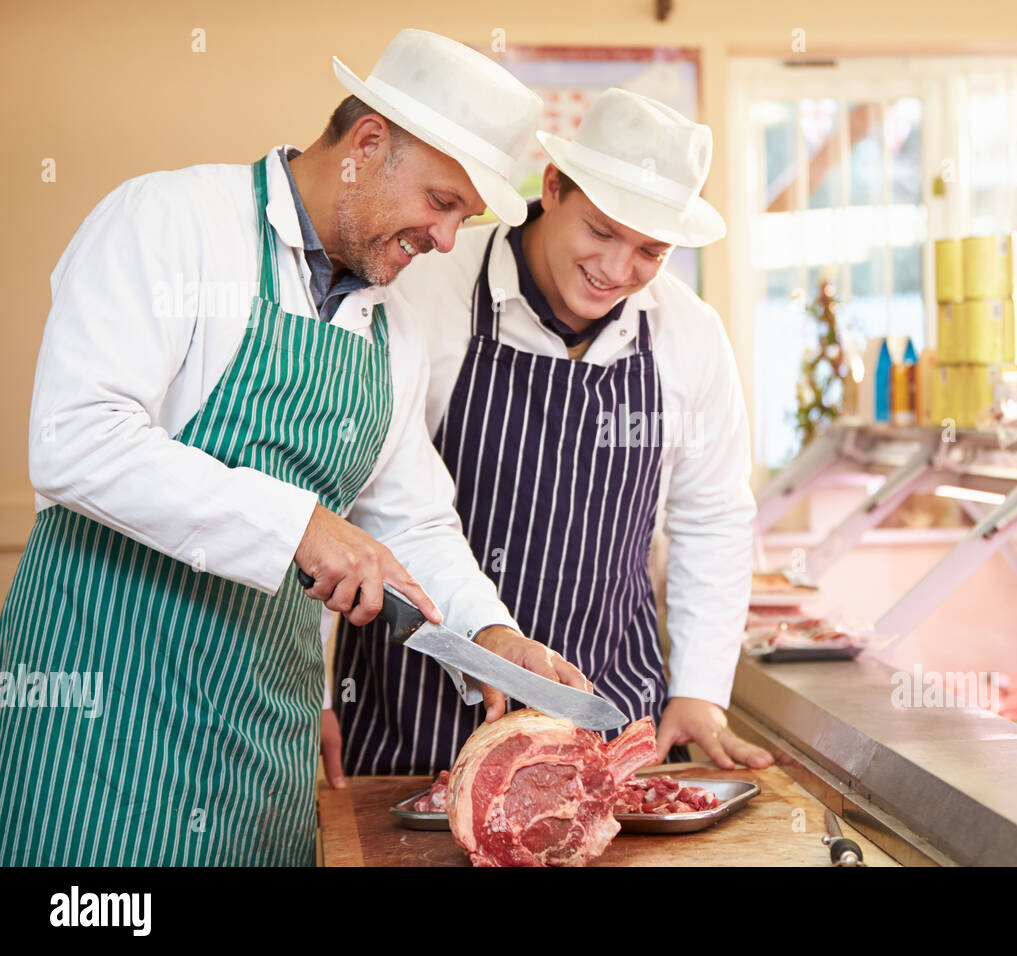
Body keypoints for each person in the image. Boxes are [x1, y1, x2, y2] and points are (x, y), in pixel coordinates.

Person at [0, 29, 588, 867]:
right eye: (441, 201)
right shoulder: (170, 222)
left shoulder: (395, 329)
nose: (448, 239)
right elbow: (78, 439)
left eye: (465, 216)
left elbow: (411, 522)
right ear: (369, 143)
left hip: (259, 731)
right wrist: (303, 524)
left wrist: (489, 634)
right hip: (100, 712)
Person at [328, 88, 773, 779]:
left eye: (650, 251)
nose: (617, 271)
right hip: (416, 712)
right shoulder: (427, 288)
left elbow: (712, 518)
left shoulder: (690, 335)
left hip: (607, 711)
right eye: (600, 231)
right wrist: (318, 693)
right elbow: (356, 497)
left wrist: (699, 690)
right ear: (555, 186)